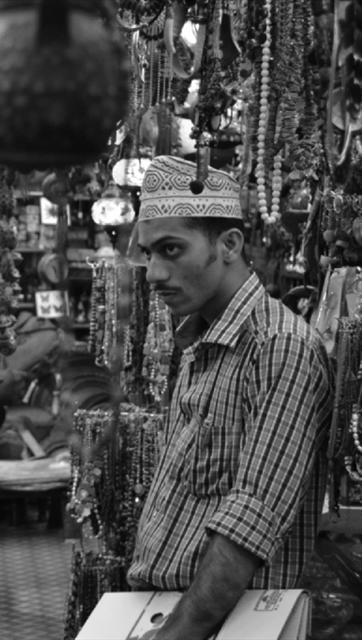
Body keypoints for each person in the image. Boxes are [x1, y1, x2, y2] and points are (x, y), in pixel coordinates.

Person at [127, 156, 333, 640]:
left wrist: (178, 632)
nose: (154, 273)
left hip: (226, 626)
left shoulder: (278, 346)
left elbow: (250, 520)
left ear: (229, 245)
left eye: (171, 249)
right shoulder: (198, 342)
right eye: (148, 253)